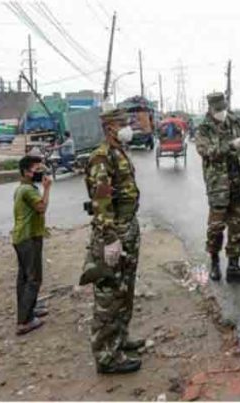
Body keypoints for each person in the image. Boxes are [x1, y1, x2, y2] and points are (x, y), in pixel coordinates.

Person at [82, 108, 143, 374]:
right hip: (113, 234)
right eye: (122, 123)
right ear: (109, 127)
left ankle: (120, 339)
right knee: (109, 295)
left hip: (127, 229)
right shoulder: (101, 156)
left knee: (124, 290)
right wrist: (109, 239)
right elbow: (101, 202)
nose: (128, 126)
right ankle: (106, 357)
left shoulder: (118, 151)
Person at [196, 92, 240, 283]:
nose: (222, 112)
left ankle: (234, 266)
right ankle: (215, 262)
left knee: (239, 228)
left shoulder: (237, 123)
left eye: (224, 108)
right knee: (216, 229)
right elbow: (207, 152)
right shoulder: (204, 129)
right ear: (210, 108)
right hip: (219, 187)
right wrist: (230, 146)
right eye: (218, 110)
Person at [12, 155, 52, 335]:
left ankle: (28, 310)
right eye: (37, 169)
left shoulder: (22, 188)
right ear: (26, 172)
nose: (40, 172)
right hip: (29, 238)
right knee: (34, 278)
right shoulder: (28, 190)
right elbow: (42, 208)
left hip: (21, 237)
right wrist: (47, 189)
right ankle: (24, 321)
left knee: (24, 278)